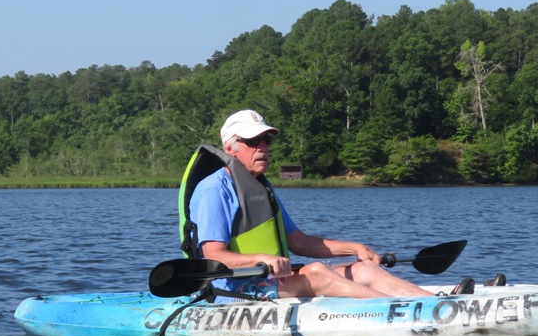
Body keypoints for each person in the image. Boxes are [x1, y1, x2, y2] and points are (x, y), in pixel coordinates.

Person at [188, 109, 474, 302]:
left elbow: (299, 242)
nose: (263, 147)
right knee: (315, 271)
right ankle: (404, 310)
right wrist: (262, 259)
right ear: (230, 148)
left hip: (273, 281)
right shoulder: (214, 189)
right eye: (253, 141)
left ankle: (433, 301)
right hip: (237, 290)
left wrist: (355, 248)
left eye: (265, 140)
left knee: (364, 270)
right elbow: (214, 255)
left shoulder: (261, 186)